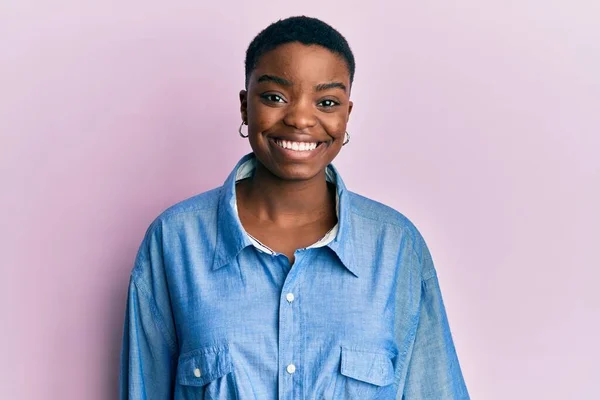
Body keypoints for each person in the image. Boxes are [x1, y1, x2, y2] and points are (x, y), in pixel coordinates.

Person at [119, 16, 469, 400]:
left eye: (327, 102)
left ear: (346, 115)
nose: (301, 118)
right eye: (275, 97)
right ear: (244, 106)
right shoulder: (175, 241)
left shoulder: (396, 247)